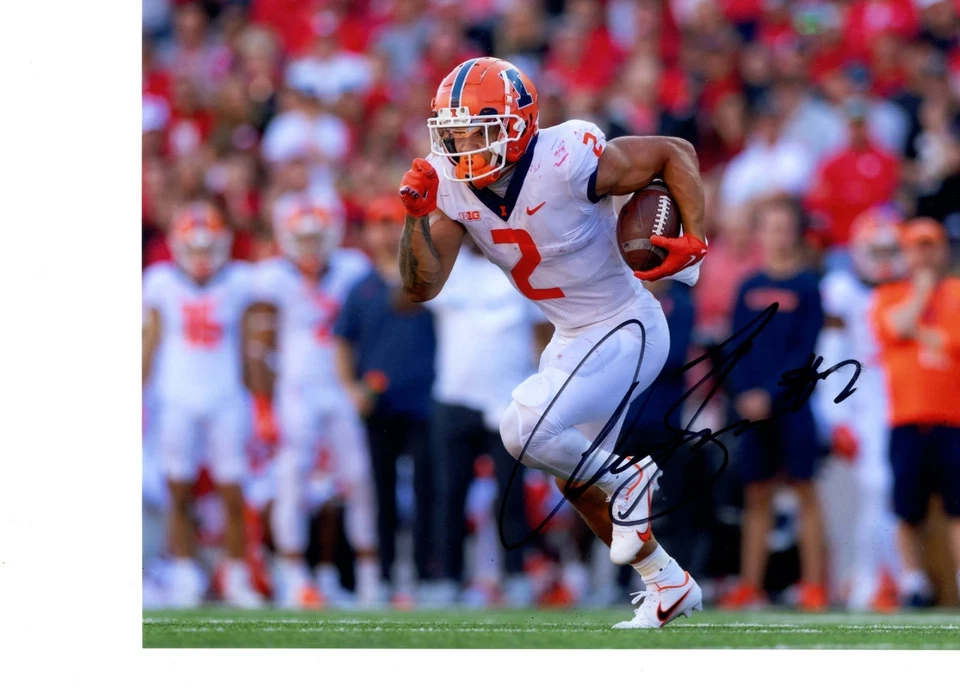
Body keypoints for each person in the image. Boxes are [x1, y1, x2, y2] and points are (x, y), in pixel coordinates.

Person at [397, 57, 709, 629]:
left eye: (475, 132)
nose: (461, 146)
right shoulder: (449, 183)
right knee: (574, 477)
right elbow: (421, 286)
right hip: (573, 335)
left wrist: (695, 237)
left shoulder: (567, 157)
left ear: (517, 126)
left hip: (626, 323)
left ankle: (626, 478)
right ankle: (666, 583)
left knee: (522, 429)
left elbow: (673, 152)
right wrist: (416, 218)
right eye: (453, 132)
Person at [245, 194, 380, 609]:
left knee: (357, 479)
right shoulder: (272, 278)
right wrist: (263, 404)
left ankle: (368, 577)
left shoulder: (352, 270)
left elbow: (367, 326)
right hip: (297, 389)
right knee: (292, 481)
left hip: (340, 386)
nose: (310, 248)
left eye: (317, 239)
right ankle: (294, 576)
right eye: (302, 240)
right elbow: (258, 343)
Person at [142, 201, 262, 608]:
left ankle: (236, 573)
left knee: (233, 489)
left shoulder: (238, 281)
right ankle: (183, 572)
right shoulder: (161, 282)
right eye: (193, 248)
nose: (201, 256)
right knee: (179, 489)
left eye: (208, 247)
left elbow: (252, 340)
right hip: (175, 394)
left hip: (225, 394)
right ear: (177, 246)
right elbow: (150, 341)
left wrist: (261, 397)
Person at [425, 236, 552, 607]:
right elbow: (407, 294)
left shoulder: (523, 264)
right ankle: (446, 579)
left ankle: (515, 576)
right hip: (455, 397)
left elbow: (544, 332)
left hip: (510, 400)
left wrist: (543, 389)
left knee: (511, 497)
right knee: (449, 495)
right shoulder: (448, 264)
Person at [720, 195, 827, 612]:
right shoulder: (747, 286)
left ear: (794, 233)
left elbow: (805, 351)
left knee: (805, 492)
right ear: (760, 233)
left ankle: (815, 585)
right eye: (771, 227)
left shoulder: (807, 286)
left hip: (793, 406)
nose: (777, 236)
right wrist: (746, 394)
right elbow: (734, 348)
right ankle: (751, 585)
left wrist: (770, 393)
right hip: (751, 407)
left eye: (784, 228)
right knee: (757, 495)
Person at [333, 196, 438, 605]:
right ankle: (382, 576)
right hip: (378, 404)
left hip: (425, 400)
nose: (386, 231)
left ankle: (428, 578)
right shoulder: (361, 288)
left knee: (429, 490)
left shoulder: (428, 279)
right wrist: (351, 388)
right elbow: (341, 342)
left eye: (393, 222)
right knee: (381, 491)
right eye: (378, 223)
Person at [814, 206, 906, 611]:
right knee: (878, 488)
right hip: (866, 397)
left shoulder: (909, 288)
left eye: (891, 251)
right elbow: (831, 357)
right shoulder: (842, 291)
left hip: (905, 393)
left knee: (892, 493)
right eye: (878, 251)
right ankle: (876, 578)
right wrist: (836, 418)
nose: (885, 260)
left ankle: (884, 576)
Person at [870, 217, 960, 607]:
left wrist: (918, 330)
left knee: (958, 507)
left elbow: (947, 340)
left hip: (952, 417)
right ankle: (914, 581)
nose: (924, 254)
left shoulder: (957, 292)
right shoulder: (889, 294)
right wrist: (921, 293)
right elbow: (899, 326)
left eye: (931, 245)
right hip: (906, 418)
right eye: (917, 246)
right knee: (907, 508)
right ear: (905, 252)